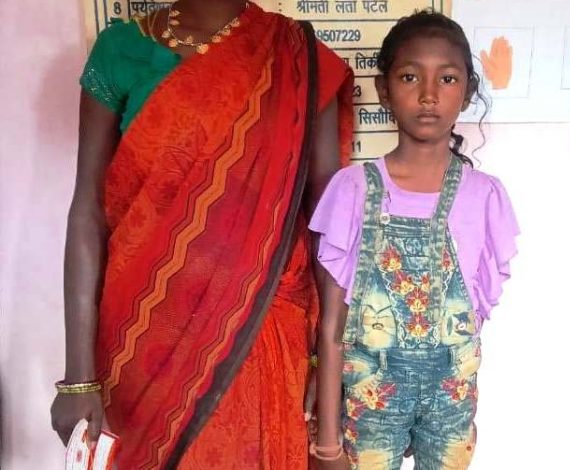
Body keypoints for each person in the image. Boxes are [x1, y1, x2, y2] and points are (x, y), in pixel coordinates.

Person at [49, 0, 354, 468]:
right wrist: (78, 379)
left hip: (260, 336)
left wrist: (326, 364)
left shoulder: (297, 56)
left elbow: (328, 222)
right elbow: (87, 210)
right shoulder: (120, 50)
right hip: (142, 340)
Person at [308, 10, 520, 470]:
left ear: (467, 91)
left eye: (447, 78)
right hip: (371, 400)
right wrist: (327, 443)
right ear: (384, 89)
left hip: (450, 406)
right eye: (409, 77)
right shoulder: (352, 189)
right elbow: (331, 327)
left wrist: (452, 398)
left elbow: (475, 320)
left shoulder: (485, 196)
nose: (428, 94)